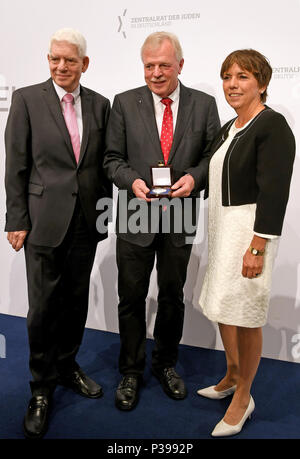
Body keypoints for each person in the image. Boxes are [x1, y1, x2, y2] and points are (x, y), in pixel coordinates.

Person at [104, 31, 220, 411]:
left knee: (172, 297)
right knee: (131, 298)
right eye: (149, 65)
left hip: (181, 211)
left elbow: (210, 157)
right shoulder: (123, 103)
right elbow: (112, 159)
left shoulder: (204, 105)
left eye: (164, 66)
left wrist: (194, 178)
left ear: (180, 66)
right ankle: (131, 372)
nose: (156, 73)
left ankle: (166, 364)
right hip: (136, 211)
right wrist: (131, 181)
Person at [5, 28, 112, 439]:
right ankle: (40, 388)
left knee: (75, 302)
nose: (61, 67)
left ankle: (68, 366)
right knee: (43, 309)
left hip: (87, 221)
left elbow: (103, 165)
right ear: (48, 60)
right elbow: (15, 163)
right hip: (42, 221)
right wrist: (16, 218)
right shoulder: (27, 99)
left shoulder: (101, 105)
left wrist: (102, 213)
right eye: (54, 59)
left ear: (84, 63)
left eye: (69, 60)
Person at [197, 49, 295, 437]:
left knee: (246, 313)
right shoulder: (230, 126)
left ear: (263, 83)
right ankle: (233, 375)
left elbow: (275, 191)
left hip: (250, 232)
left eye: (242, 77)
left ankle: (244, 398)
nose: (232, 84)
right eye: (227, 76)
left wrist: (257, 246)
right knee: (224, 304)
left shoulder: (273, 126)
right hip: (223, 227)